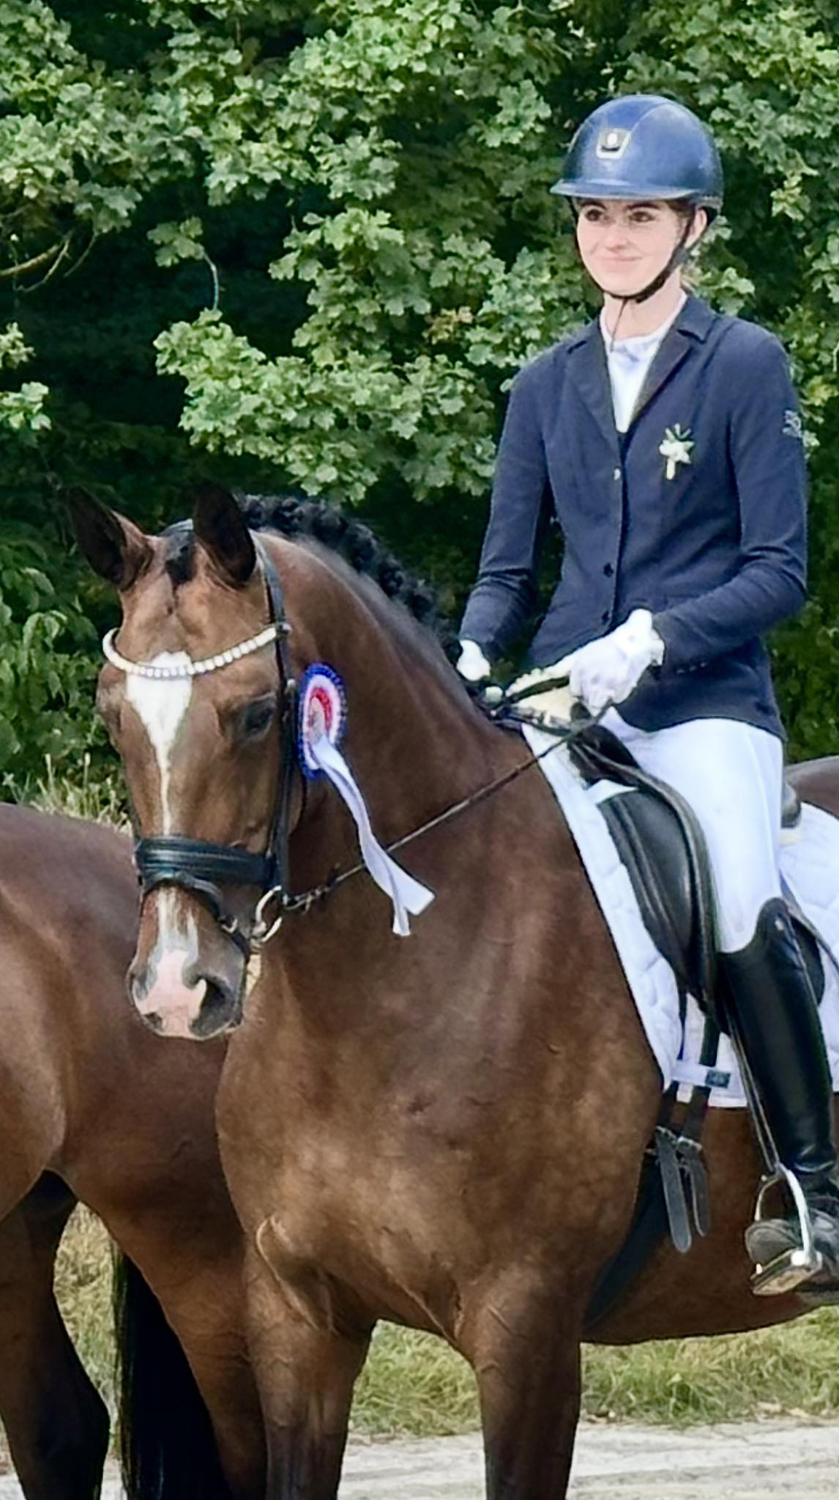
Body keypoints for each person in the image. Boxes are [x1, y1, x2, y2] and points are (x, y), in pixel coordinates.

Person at [457, 93, 839, 1290]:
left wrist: (652, 641)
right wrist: (469, 660)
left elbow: (779, 572)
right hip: (568, 695)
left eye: (639, 215)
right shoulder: (542, 384)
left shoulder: (741, 364)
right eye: (594, 215)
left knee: (734, 898)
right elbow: (507, 571)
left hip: (703, 702)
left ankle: (814, 1191)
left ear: (692, 228)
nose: (612, 235)